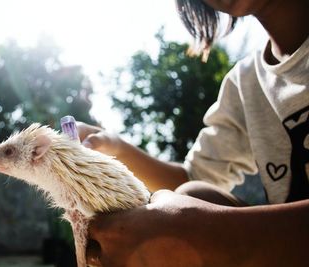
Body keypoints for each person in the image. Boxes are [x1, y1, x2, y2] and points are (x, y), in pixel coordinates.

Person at [77, 0, 309, 266]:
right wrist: (116, 148)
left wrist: (210, 232)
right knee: (195, 193)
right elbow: (192, 177)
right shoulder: (245, 84)